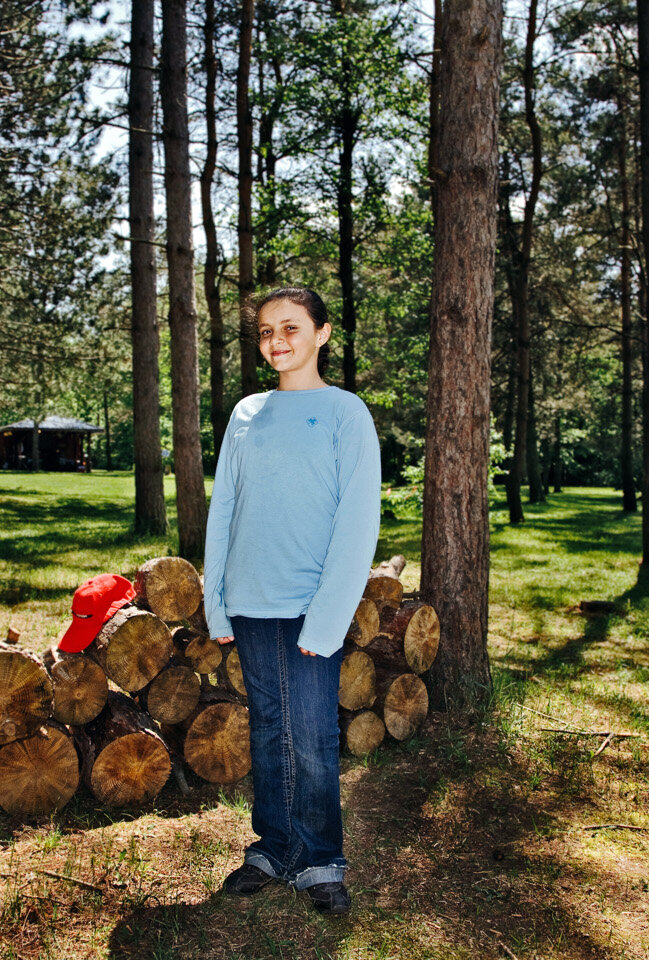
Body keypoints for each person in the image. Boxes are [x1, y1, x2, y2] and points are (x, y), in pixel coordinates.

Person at [203, 286, 381, 915]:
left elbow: (359, 520)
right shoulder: (246, 413)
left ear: (322, 333)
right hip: (251, 600)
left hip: (312, 604)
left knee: (310, 735)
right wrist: (216, 599)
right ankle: (274, 848)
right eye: (265, 333)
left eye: (290, 328)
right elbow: (224, 506)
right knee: (272, 728)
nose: (277, 342)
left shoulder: (345, 413)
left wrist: (330, 616)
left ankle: (321, 860)